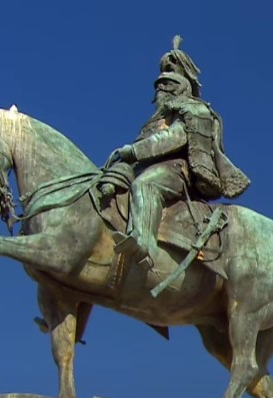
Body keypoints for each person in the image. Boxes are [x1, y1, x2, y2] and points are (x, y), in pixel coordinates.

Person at [105, 37, 250, 270]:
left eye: (168, 85)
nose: (161, 89)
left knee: (145, 186)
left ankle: (142, 242)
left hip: (175, 171)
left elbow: (175, 138)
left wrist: (134, 151)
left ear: (182, 86)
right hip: (146, 165)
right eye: (159, 85)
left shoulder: (194, 110)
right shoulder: (158, 117)